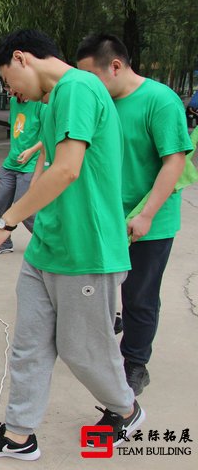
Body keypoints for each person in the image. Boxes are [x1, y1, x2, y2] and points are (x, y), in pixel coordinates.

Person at [0, 29, 143, 461]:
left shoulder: (78, 88)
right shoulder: (51, 101)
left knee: (83, 350)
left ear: (22, 59)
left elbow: (67, 171)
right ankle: (19, 435)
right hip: (47, 247)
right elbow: (45, 171)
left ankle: (125, 407)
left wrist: (6, 221)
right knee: (29, 346)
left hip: (86, 251)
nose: (13, 92)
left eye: (9, 82)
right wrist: (30, 222)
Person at [76, 33, 193, 396]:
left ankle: (135, 364)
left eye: (91, 76)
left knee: (140, 296)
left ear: (115, 66)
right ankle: (102, 352)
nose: (88, 86)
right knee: (95, 289)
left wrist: (146, 216)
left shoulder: (159, 100)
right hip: (107, 217)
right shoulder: (102, 104)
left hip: (149, 222)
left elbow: (175, 161)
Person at [0, 94, 45, 255]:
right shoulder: (14, 102)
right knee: (1, 203)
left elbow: (48, 135)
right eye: (8, 87)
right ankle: (4, 242)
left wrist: (31, 151)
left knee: (25, 209)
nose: (11, 91)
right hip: (11, 164)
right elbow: (17, 131)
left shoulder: (41, 104)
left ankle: (49, 242)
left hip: (30, 165)